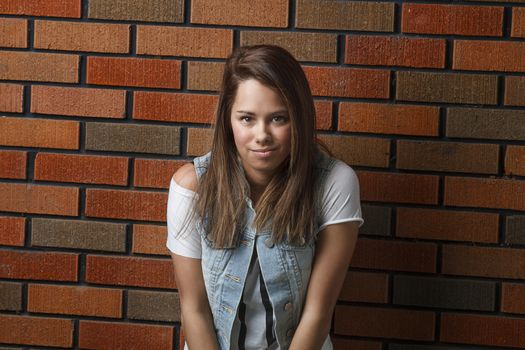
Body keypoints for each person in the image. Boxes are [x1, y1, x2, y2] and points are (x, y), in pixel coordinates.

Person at [166, 44, 363, 350]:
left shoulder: (333, 182)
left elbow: (318, 312)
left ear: (298, 118)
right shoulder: (191, 187)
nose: (262, 135)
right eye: (246, 118)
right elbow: (194, 309)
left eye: (278, 118)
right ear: (228, 120)